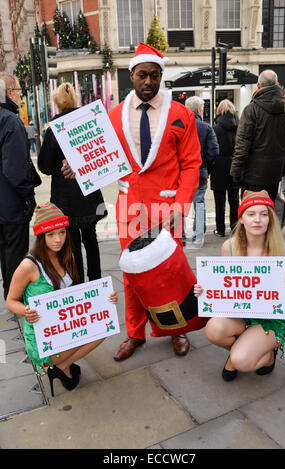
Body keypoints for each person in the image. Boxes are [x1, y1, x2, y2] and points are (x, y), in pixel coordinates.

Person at [108, 43, 201, 360]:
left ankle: (178, 329)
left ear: (161, 76)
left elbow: (191, 165)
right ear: (131, 74)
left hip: (168, 210)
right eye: (142, 75)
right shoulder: (113, 115)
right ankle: (135, 334)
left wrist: (181, 208)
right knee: (132, 276)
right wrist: (74, 167)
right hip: (129, 209)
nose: (148, 81)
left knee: (171, 271)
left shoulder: (181, 114)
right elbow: (98, 159)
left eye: (154, 75)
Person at [6, 202, 117, 396]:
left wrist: (104, 300)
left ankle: (62, 366)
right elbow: (10, 300)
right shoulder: (28, 266)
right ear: (41, 236)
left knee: (104, 328)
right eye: (51, 235)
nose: (58, 239)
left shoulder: (68, 256)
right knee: (94, 332)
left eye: (62, 233)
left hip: (66, 327)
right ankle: (59, 366)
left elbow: (77, 295)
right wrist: (25, 311)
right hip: (44, 337)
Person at [194, 190, 285, 382]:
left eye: (264, 214)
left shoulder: (283, 250)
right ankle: (244, 347)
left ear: (271, 219)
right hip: (240, 314)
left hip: (270, 320)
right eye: (251, 214)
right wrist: (204, 290)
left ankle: (266, 356)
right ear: (241, 218)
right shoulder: (230, 247)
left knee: (242, 361)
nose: (257, 220)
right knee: (213, 329)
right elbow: (225, 287)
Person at [38, 83, 107, 284]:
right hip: (89, 192)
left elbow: (45, 167)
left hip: (65, 197)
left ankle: (77, 282)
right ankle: (96, 279)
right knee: (91, 238)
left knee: (72, 242)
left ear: (57, 103)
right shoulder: (88, 123)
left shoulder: (54, 130)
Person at [231, 69, 285, 203]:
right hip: (274, 173)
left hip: (251, 175)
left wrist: (235, 173)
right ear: (277, 83)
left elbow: (242, 145)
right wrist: (282, 167)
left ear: (259, 86)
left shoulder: (251, 109)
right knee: (268, 213)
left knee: (251, 214)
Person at [0, 73, 36, 300]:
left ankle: (8, 293)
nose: (21, 97)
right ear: (10, 93)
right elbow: (14, 168)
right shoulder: (10, 121)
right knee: (15, 251)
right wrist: (28, 195)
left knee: (5, 251)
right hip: (11, 202)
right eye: (20, 92)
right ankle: (16, 297)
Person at [183, 96, 219, 247]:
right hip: (200, 172)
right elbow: (214, 152)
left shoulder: (178, 126)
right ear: (199, 109)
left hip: (182, 174)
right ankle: (198, 239)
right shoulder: (206, 127)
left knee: (182, 206)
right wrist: (206, 168)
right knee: (199, 204)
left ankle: (181, 238)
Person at [211, 99, 240, 237]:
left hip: (218, 166)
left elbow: (211, 149)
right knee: (234, 200)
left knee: (219, 201)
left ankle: (220, 229)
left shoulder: (215, 129)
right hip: (234, 164)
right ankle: (235, 228)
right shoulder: (238, 127)